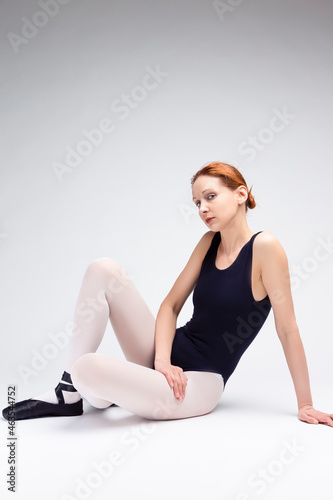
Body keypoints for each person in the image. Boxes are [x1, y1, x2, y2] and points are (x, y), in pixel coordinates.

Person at [2, 162, 333, 425]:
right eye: (197, 202)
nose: (202, 208)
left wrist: (305, 404)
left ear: (241, 194)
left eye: (210, 196)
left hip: (200, 381)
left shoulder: (265, 247)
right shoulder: (208, 243)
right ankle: (69, 394)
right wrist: (161, 360)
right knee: (102, 269)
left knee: (88, 368)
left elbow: (287, 330)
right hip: (165, 356)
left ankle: (102, 390)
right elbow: (170, 305)